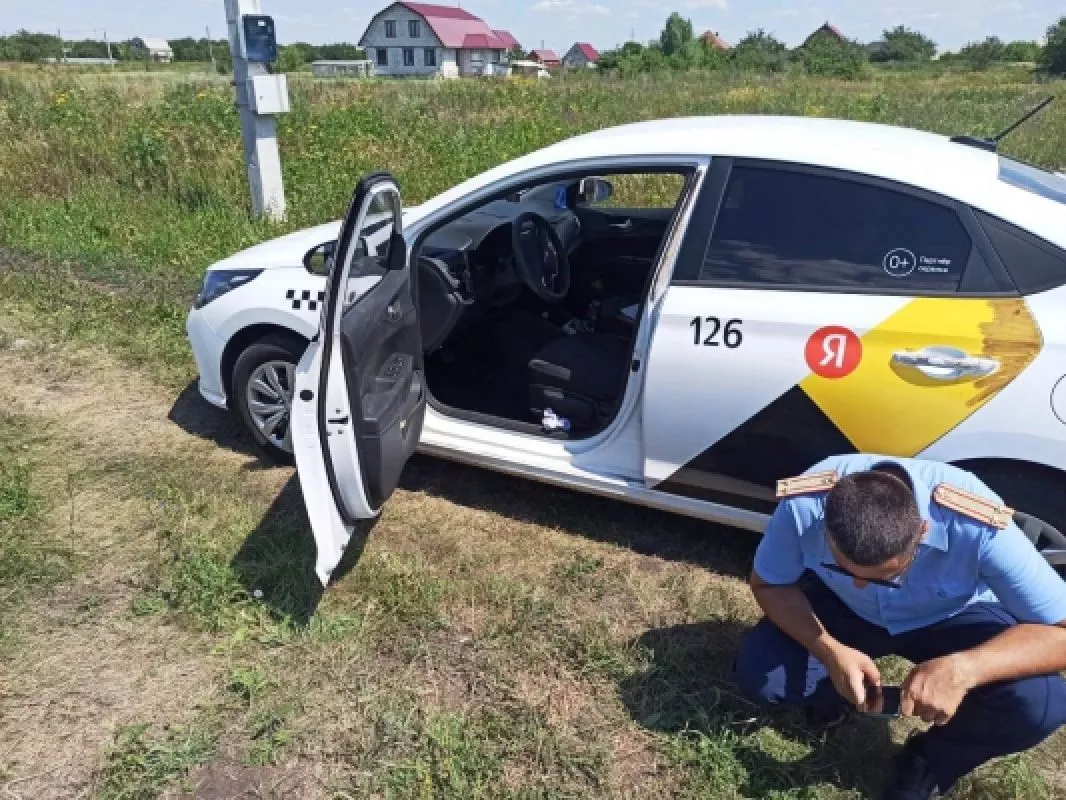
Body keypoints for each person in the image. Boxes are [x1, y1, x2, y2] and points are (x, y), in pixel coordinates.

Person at [732, 454, 1066, 800]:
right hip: (844, 609)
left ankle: (930, 761)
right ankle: (838, 695)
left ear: (922, 531)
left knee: (1039, 704)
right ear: (827, 525)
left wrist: (965, 669)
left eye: (888, 576)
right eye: (845, 570)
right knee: (762, 675)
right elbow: (770, 585)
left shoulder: (976, 523)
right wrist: (830, 652)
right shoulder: (808, 504)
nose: (862, 585)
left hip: (952, 616)